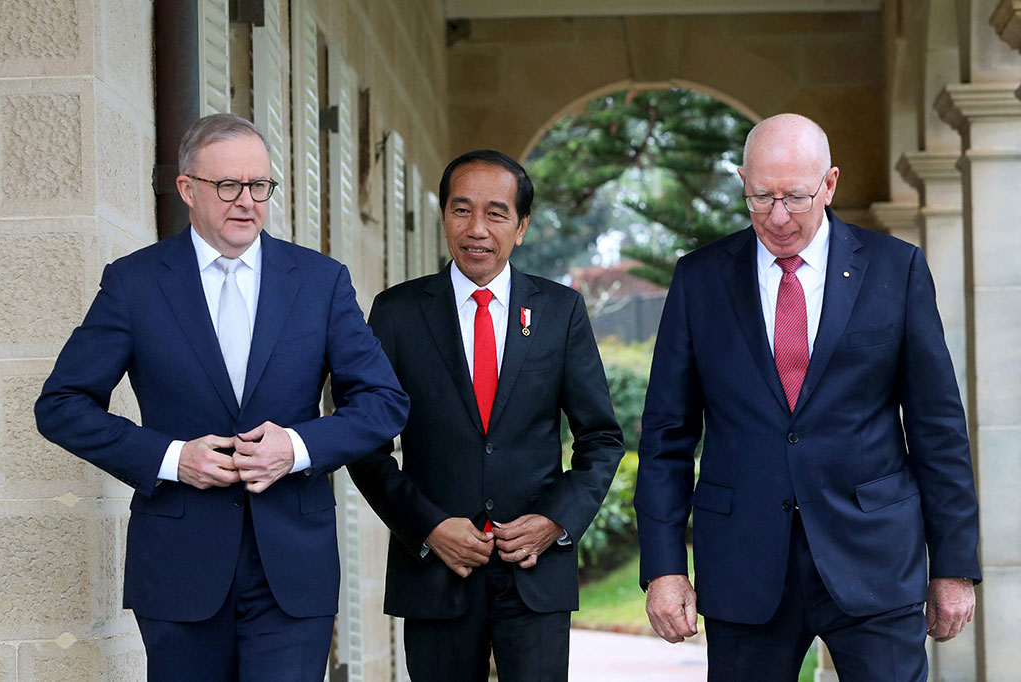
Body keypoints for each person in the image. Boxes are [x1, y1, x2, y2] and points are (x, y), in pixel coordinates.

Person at [34, 113, 409, 682]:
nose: (247, 202)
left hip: (292, 566)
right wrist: (171, 458)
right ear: (187, 188)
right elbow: (60, 405)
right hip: (179, 564)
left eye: (259, 186)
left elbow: (384, 402)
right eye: (229, 186)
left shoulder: (321, 281)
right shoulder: (134, 283)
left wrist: (297, 446)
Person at [635, 113, 980, 681]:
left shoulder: (896, 269)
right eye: (760, 197)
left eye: (795, 197)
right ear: (742, 181)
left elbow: (937, 427)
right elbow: (667, 434)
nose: (777, 217)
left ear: (830, 183)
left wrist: (953, 566)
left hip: (875, 558)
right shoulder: (699, 280)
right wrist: (665, 568)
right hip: (744, 564)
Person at [347, 150, 624, 681]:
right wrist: (427, 527)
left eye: (496, 213)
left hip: (534, 570)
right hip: (435, 572)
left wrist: (554, 522)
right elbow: (364, 441)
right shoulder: (396, 312)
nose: (477, 229)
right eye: (461, 210)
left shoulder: (560, 311)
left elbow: (601, 439)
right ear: (444, 217)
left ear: (520, 227)